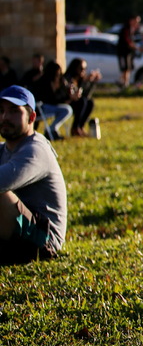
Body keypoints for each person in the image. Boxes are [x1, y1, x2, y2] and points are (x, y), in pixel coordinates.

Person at [0, 85, 68, 265]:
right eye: (1, 111)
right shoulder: (4, 150)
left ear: (31, 117)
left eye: (14, 111)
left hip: (44, 241)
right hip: (19, 231)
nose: (5, 117)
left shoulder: (36, 150)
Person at [27, 61, 74, 141]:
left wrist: (68, 93)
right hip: (42, 107)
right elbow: (50, 99)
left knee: (67, 109)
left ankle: (52, 129)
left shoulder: (60, 82)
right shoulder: (44, 82)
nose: (58, 75)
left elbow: (59, 98)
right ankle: (51, 130)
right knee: (67, 109)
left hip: (52, 106)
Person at [64, 58, 101, 137]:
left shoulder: (80, 80)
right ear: (75, 68)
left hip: (77, 103)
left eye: (85, 69)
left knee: (90, 102)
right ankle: (75, 128)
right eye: (81, 68)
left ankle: (80, 126)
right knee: (83, 102)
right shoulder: (68, 79)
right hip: (67, 102)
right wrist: (85, 82)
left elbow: (86, 95)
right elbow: (70, 96)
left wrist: (92, 82)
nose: (83, 71)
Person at [117, 15, 141, 89]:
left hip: (128, 52)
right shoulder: (126, 29)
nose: (137, 23)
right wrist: (137, 47)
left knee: (128, 68)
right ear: (131, 20)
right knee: (126, 69)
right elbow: (128, 41)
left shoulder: (131, 29)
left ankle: (123, 82)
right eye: (136, 21)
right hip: (124, 52)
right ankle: (124, 84)